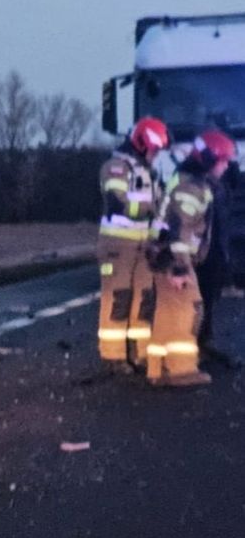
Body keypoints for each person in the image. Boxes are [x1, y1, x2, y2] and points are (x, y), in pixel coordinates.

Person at [145, 128, 237, 386]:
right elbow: (181, 229)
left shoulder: (187, 180)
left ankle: (157, 368)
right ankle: (180, 370)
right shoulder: (192, 188)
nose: (226, 166)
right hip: (174, 259)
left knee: (167, 312)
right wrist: (180, 269)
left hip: (162, 255)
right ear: (209, 160)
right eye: (223, 161)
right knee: (188, 310)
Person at [97, 116, 168, 371]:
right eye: (154, 149)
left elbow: (160, 207)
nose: (156, 154)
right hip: (118, 245)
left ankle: (141, 354)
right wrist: (150, 208)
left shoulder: (149, 171)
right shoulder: (116, 167)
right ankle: (113, 356)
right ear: (141, 143)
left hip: (144, 245)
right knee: (118, 298)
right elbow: (118, 202)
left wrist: (159, 236)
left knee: (145, 299)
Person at [195, 158, 243, 368]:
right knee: (199, 300)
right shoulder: (202, 186)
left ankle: (203, 340)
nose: (225, 167)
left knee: (208, 299)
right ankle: (197, 344)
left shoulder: (217, 186)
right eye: (223, 163)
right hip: (204, 253)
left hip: (214, 252)